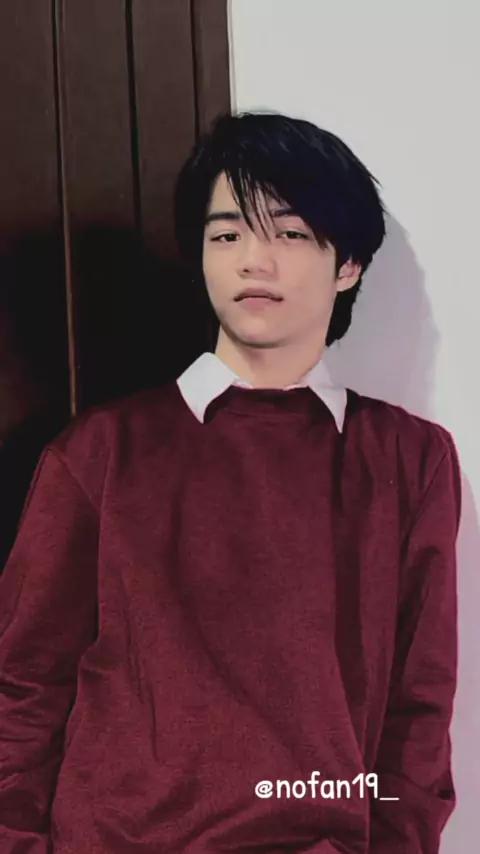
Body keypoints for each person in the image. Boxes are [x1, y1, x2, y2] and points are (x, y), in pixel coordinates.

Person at [0, 112, 461, 853]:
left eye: (289, 233)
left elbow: (419, 705)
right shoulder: (99, 453)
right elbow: (23, 687)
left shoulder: (409, 459)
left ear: (347, 264)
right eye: (227, 235)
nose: (254, 260)